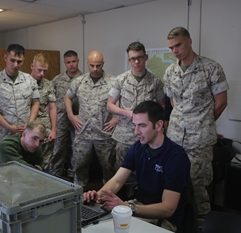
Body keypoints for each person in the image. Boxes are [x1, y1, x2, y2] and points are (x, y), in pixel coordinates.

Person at [83, 101, 191, 232]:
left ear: (158, 125)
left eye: (142, 126)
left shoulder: (176, 157)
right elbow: (117, 181)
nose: (136, 131)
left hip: (164, 219)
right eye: (135, 125)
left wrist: (127, 207)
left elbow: (168, 209)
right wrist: (98, 196)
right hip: (138, 205)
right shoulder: (138, 147)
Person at [164, 26, 229, 227]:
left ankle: (202, 225)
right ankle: (177, 223)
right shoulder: (170, 71)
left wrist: (204, 123)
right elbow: (173, 101)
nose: (175, 51)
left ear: (190, 41)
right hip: (174, 139)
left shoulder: (211, 68)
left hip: (199, 141)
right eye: (171, 47)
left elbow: (221, 102)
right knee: (174, 183)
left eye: (178, 45)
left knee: (198, 186)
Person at [107, 41, 165, 170]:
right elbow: (110, 105)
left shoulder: (155, 81)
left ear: (146, 57)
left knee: (146, 170)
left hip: (148, 136)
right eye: (133, 59)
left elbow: (162, 106)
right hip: (125, 136)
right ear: (129, 60)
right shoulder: (120, 80)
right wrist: (126, 113)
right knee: (124, 171)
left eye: (139, 58)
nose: (137, 62)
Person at [64, 50, 118, 187]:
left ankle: (108, 193)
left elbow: (124, 101)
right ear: (87, 63)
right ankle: (78, 193)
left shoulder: (113, 82)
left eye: (98, 65)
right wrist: (71, 116)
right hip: (83, 133)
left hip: (104, 134)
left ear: (103, 64)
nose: (95, 69)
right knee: (79, 166)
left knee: (108, 168)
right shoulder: (79, 81)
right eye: (92, 65)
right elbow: (67, 97)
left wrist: (116, 119)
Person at [0, 44, 40, 146]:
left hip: (25, 137)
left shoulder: (30, 80)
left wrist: (29, 124)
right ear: (5, 58)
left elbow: (35, 103)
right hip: (3, 137)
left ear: (23, 60)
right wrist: (8, 127)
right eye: (12, 60)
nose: (15, 65)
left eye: (19, 61)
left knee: (25, 161)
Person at [50, 50, 83, 177]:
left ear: (78, 61)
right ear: (65, 63)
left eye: (74, 61)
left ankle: (73, 176)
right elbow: (50, 100)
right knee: (57, 150)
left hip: (78, 122)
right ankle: (55, 175)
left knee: (77, 151)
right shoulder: (57, 80)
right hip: (61, 121)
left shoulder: (84, 79)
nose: (71, 65)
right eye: (68, 62)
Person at [30, 53, 57, 171]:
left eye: (44, 71)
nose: (42, 74)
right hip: (29, 127)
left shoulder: (48, 84)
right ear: (32, 66)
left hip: (45, 128)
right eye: (39, 70)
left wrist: (54, 129)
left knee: (45, 162)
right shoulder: (25, 83)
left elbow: (52, 107)